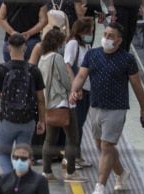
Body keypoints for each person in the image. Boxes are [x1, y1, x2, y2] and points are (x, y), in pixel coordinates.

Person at [69, 22, 144, 194]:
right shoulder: (92, 54)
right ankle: (121, 173)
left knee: (107, 146)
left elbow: (136, 84)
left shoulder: (127, 59)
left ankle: (100, 185)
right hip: (95, 106)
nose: (106, 38)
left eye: (111, 36)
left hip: (116, 109)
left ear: (119, 41)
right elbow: (81, 75)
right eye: (105, 34)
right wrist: (74, 90)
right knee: (101, 146)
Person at [0, 34, 48, 174]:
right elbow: (41, 99)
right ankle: (22, 181)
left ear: (9, 47)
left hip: (8, 120)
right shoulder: (34, 70)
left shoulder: (2, 69)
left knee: (4, 154)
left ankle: (10, 180)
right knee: (23, 155)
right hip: (28, 120)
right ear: (25, 48)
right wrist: (41, 121)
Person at [36, 29, 79, 181]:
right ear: (57, 43)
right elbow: (65, 80)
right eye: (62, 43)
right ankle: (71, 172)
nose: (63, 45)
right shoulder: (57, 57)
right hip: (61, 101)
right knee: (73, 138)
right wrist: (74, 91)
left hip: (48, 103)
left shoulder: (42, 58)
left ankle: (47, 172)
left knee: (50, 139)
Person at [63, 17, 94, 169]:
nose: (91, 34)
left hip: (87, 90)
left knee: (79, 125)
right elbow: (67, 65)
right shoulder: (73, 44)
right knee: (74, 125)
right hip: (78, 91)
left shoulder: (86, 46)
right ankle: (70, 158)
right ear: (81, 31)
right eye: (89, 31)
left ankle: (77, 155)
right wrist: (76, 87)